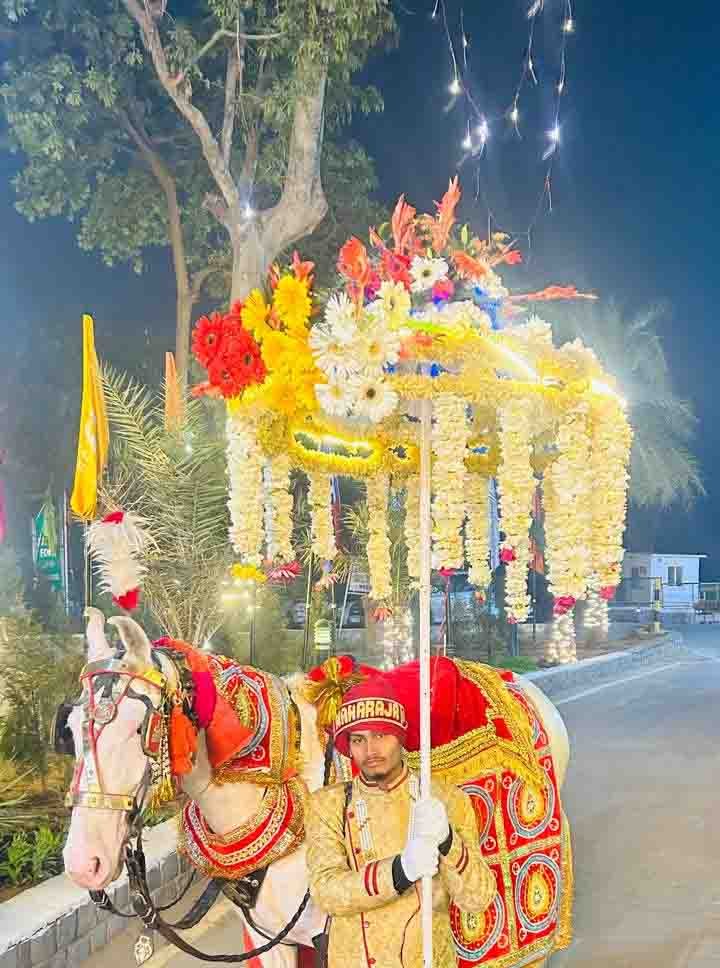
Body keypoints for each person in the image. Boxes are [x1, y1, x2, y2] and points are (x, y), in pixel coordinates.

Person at [306, 680, 496, 968]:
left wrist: (448, 841)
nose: (370, 750)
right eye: (358, 740)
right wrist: (400, 871)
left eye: (381, 735)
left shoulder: (445, 798)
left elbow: (478, 898)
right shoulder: (327, 805)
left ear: (399, 736)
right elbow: (327, 893)